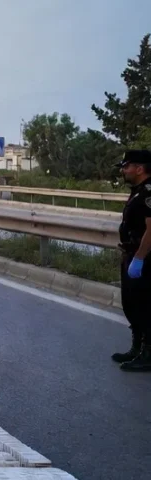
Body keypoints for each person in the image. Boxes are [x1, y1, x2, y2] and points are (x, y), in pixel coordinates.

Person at [114, 149, 151, 371]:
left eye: (126, 166)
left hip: (145, 258)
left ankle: (147, 354)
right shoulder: (137, 190)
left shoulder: (148, 192)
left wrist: (139, 258)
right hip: (131, 254)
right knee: (131, 305)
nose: (123, 169)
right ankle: (136, 347)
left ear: (139, 168)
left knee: (145, 306)